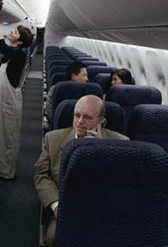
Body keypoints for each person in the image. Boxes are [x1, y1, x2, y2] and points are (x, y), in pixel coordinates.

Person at [34, 95, 129, 247]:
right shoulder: (53, 139)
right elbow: (41, 175)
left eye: (87, 117)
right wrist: (56, 205)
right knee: (54, 237)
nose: (79, 121)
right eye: (77, 115)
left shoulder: (121, 144)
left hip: (104, 209)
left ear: (101, 121)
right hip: (66, 207)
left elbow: (120, 183)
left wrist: (101, 151)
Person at [0, 9, 34, 179]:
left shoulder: (18, 55)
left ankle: (6, 171)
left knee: (8, 136)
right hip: (3, 99)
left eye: (14, 32)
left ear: (19, 42)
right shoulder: (10, 54)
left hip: (10, 102)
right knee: (0, 133)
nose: (10, 32)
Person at [44, 61, 88, 129]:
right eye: (84, 75)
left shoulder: (89, 92)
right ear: (74, 76)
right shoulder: (55, 90)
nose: (87, 79)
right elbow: (50, 113)